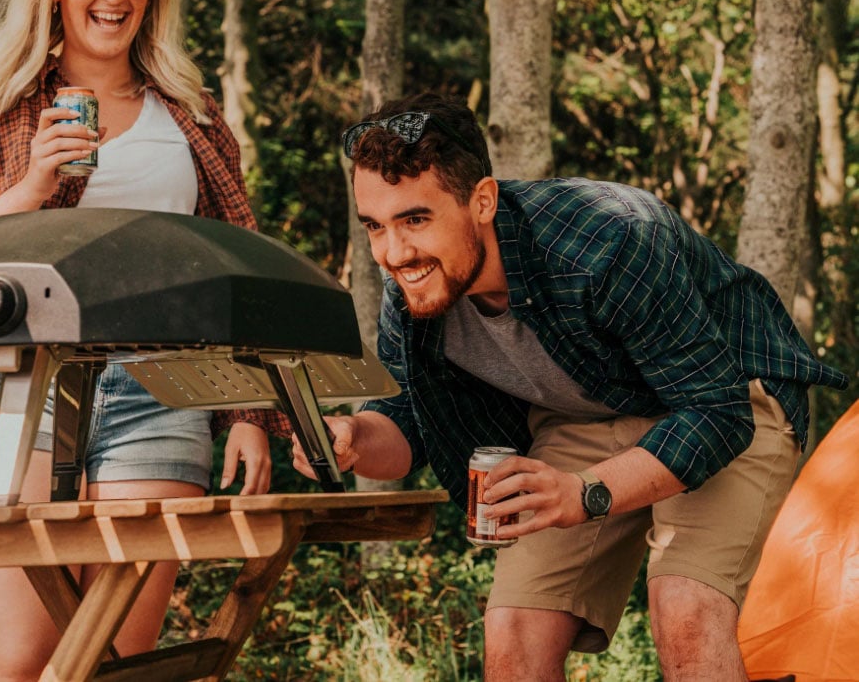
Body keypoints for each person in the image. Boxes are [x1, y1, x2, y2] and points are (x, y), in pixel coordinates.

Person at [292, 91, 849, 682]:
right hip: (585, 417)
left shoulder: (610, 239)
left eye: (416, 219)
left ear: (482, 201)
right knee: (513, 632)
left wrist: (583, 492)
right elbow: (408, 420)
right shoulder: (412, 285)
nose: (395, 252)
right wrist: (351, 436)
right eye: (375, 226)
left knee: (685, 607)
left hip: (729, 396)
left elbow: (717, 413)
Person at [0, 0, 290, 680]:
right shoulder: (0, 113)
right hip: (22, 390)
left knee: (118, 657)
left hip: (162, 386)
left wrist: (255, 412)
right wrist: (30, 188)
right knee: (19, 660)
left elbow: (239, 269)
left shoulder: (190, 115)